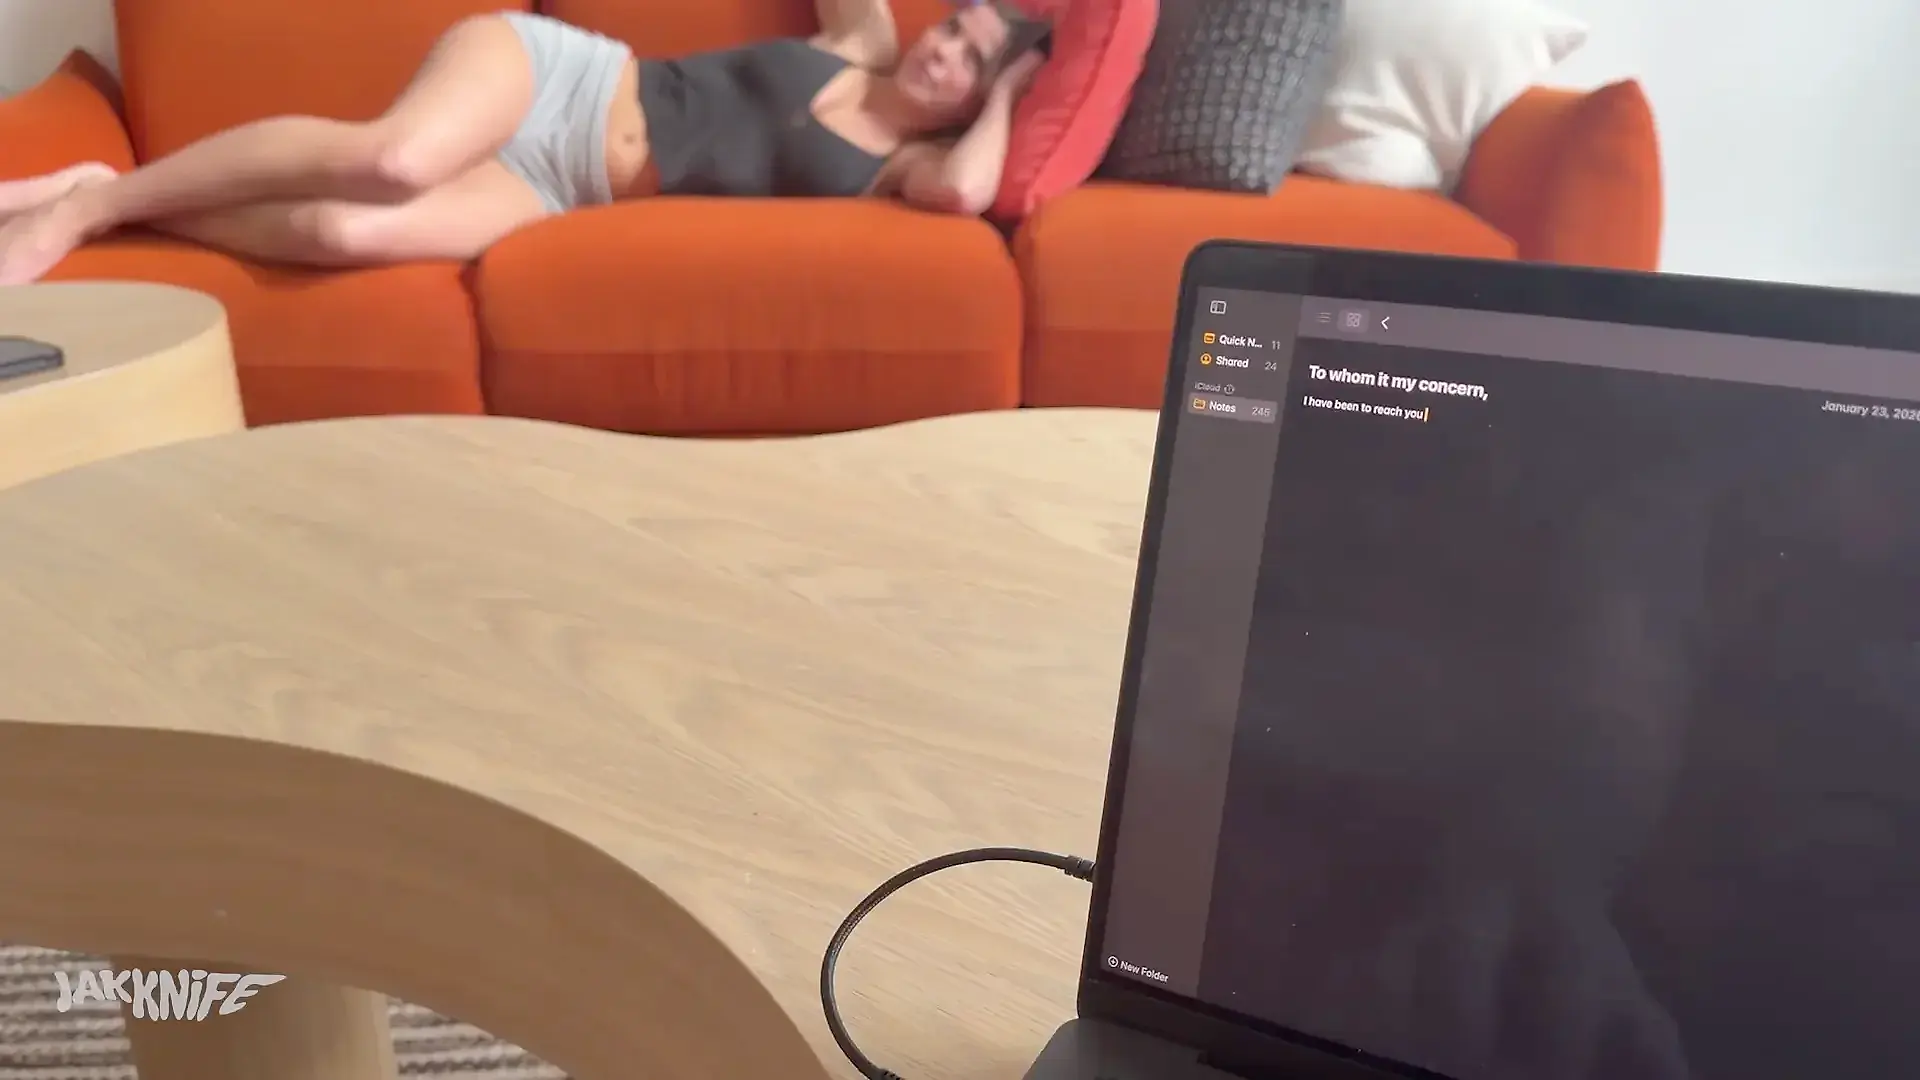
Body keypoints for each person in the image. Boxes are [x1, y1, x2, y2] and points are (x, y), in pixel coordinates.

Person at [0, 0, 1046, 285]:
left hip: (560, 184)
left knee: (343, 234)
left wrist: (1016, 90)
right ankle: (93, 204)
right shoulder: (862, 41)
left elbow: (967, 193)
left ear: (976, 97)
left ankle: (110, 197)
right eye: (953, 26)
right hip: (559, 76)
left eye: (971, 58)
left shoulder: (906, 169)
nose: (944, 50)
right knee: (391, 161)